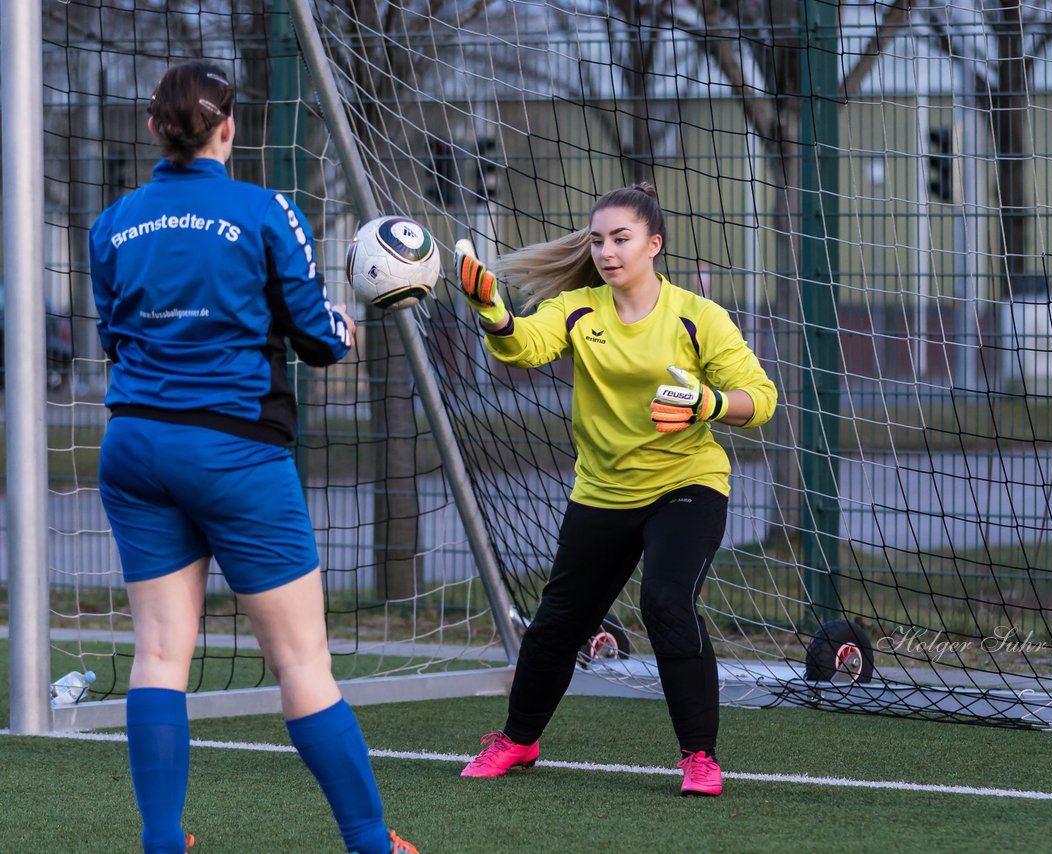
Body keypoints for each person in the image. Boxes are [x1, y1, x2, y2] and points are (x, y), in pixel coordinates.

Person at [88, 60, 418, 854]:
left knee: (162, 651)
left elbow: (113, 338)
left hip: (133, 446)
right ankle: (372, 845)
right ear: (228, 128)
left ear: (152, 128)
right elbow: (316, 340)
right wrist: (354, 316)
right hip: (234, 448)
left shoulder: (111, 223)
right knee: (301, 659)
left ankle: (163, 842)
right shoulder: (267, 210)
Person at [453, 182, 777, 796]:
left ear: (654, 245)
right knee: (557, 624)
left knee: (665, 603)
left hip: (686, 483)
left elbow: (760, 399)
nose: (607, 251)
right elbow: (525, 347)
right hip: (602, 491)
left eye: (621, 239)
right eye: (598, 240)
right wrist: (494, 312)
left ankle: (700, 757)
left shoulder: (697, 316)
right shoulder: (578, 309)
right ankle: (518, 740)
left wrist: (706, 403)